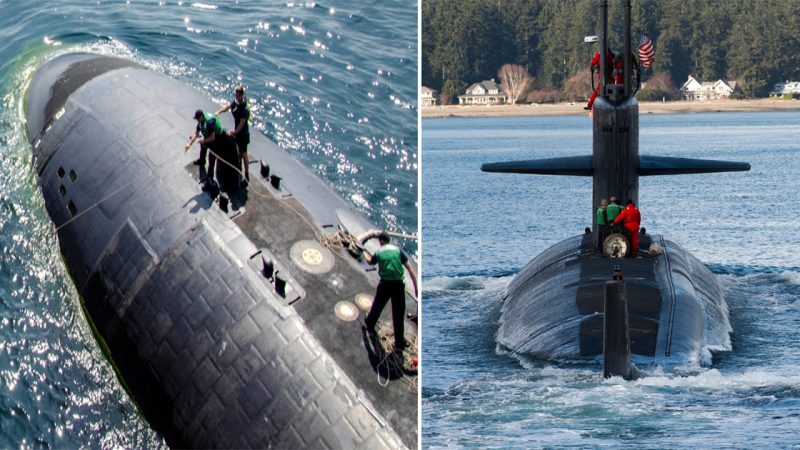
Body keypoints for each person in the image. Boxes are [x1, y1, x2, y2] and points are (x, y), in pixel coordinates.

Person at [363, 232, 418, 352]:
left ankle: (370, 323)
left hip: (385, 285)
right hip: (398, 287)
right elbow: (410, 269)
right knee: (398, 316)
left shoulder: (379, 252)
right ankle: (399, 343)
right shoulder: (398, 251)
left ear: (381, 241)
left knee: (377, 307)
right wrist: (416, 288)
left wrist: (364, 254)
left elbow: (370, 261)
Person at [216, 86, 251, 183]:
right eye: (235, 94)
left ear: (242, 95)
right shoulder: (235, 103)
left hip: (243, 134)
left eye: (238, 95)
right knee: (239, 152)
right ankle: (238, 168)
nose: (236, 96)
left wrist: (234, 133)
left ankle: (247, 175)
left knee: (244, 154)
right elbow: (228, 107)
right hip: (237, 132)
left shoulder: (245, 110)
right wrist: (219, 111)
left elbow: (241, 124)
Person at [185, 109, 227, 181]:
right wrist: (189, 143)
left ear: (201, 116)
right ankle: (202, 161)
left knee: (211, 156)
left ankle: (210, 176)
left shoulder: (209, 122)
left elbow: (212, 138)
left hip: (217, 137)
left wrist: (203, 141)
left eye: (198, 119)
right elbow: (196, 133)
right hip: (210, 134)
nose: (197, 120)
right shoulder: (200, 121)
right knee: (203, 147)